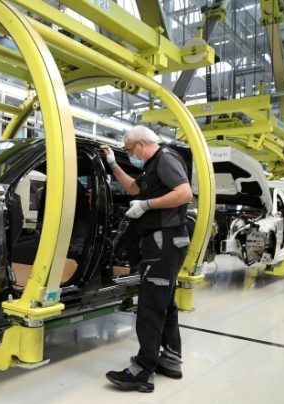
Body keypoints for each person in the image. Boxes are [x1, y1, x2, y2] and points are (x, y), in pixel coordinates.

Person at [101, 125, 193, 393]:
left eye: (130, 150)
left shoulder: (165, 158)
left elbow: (184, 193)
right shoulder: (152, 166)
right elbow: (132, 188)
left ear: (141, 144)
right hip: (166, 241)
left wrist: (147, 205)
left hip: (164, 240)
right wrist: (112, 164)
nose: (132, 155)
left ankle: (143, 370)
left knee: (151, 305)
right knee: (165, 301)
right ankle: (171, 359)